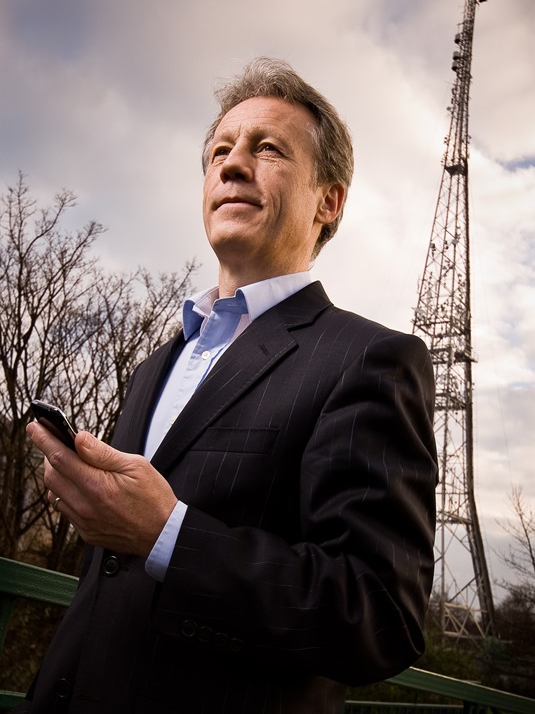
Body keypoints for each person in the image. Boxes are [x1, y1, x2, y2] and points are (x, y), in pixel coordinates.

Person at [22, 57, 437, 714]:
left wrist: (168, 533)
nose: (233, 164)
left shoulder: (370, 360)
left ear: (328, 201)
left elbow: (379, 615)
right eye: (220, 151)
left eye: (267, 149)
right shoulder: (153, 367)